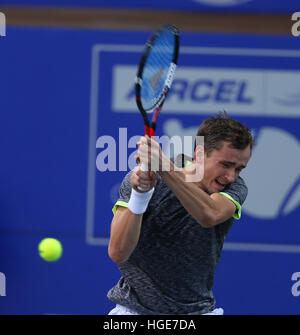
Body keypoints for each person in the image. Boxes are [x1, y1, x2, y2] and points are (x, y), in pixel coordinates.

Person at [107, 113, 254, 315]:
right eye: (226, 165)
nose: (231, 176)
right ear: (200, 154)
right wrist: (140, 195)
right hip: (134, 312)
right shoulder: (144, 179)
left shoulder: (234, 189)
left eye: (239, 168)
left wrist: (164, 166)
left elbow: (209, 215)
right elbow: (118, 252)